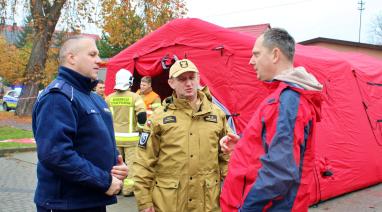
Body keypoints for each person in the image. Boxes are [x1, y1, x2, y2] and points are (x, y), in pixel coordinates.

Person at [220, 28, 323, 212]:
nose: (251, 61)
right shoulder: (284, 96)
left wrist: (247, 209)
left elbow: (281, 171)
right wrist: (245, 143)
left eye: (256, 54)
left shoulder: (288, 100)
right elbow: (275, 147)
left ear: (275, 54)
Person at [32, 36, 128, 211]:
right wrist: (104, 181)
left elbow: (94, 142)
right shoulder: (58, 97)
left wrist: (117, 167)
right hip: (65, 205)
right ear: (71, 58)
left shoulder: (94, 98)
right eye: (92, 54)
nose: (99, 61)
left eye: (98, 55)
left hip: (92, 200)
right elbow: (55, 154)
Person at [133, 59, 235, 212]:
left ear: (198, 78)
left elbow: (227, 158)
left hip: (207, 203)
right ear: (171, 83)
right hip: (169, 204)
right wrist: (144, 202)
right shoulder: (158, 118)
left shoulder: (217, 115)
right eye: (182, 79)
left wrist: (232, 193)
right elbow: (144, 163)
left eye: (191, 77)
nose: (188, 83)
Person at [105, 69, 147, 196]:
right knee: (131, 165)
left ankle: (116, 187)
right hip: (131, 139)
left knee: (116, 165)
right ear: (130, 81)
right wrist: (140, 129)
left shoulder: (109, 98)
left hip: (114, 139)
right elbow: (142, 116)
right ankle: (128, 190)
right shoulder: (135, 97)